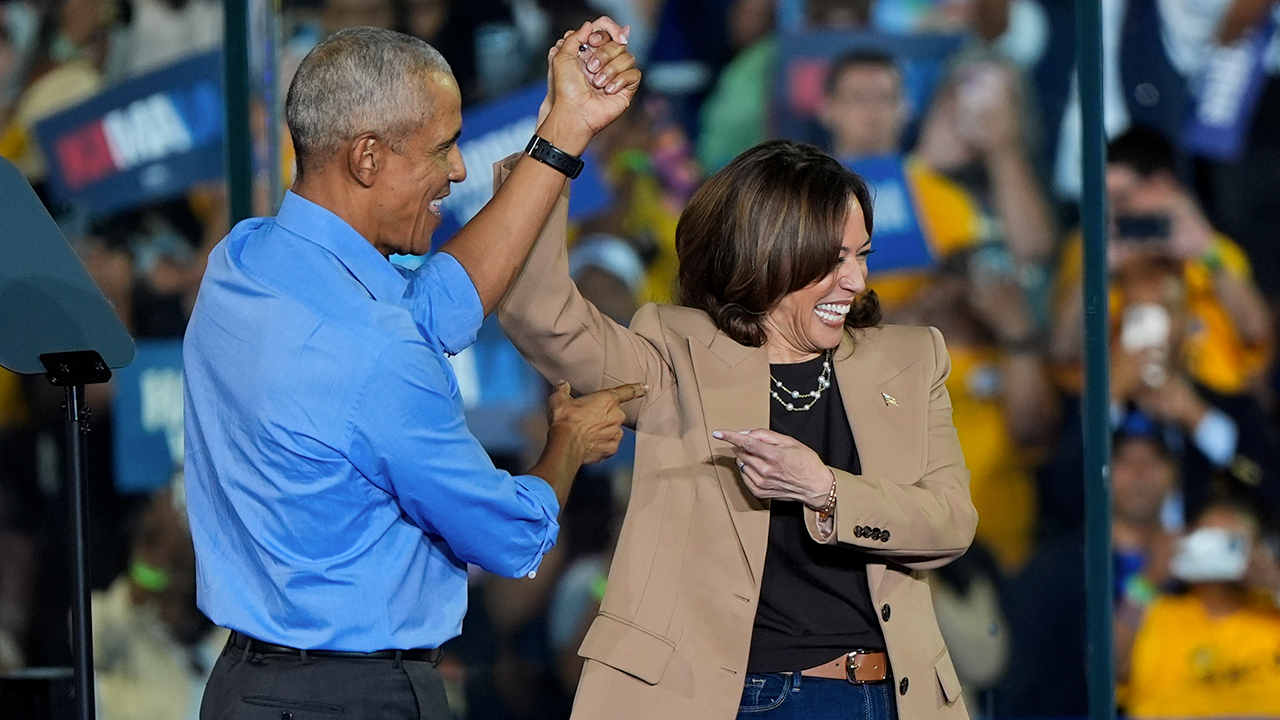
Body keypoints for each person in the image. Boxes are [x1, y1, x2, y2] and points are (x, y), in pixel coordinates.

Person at [183, 21, 643, 720]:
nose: (458, 170)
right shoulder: (373, 354)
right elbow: (507, 536)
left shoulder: (243, 260)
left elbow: (434, 309)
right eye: (442, 149)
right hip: (357, 700)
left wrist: (565, 128)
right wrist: (569, 442)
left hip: (243, 688)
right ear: (367, 158)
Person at [498, 139, 977, 719]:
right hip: (713, 699)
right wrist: (559, 143)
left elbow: (950, 522)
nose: (855, 281)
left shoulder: (912, 358)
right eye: (832, 260)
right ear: (769, 254)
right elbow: (540, 315)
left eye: (861, 255)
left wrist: (825, 491)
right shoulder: (676, 352)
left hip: (877, 697)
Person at [1120, 492, 1280, 716]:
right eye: (1210, 540)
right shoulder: (1156, 614)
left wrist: (1275, 582)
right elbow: (1107, 669)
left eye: (1233, 543)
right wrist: (1149, 578)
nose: (1219, 554)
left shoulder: (1274, 615)